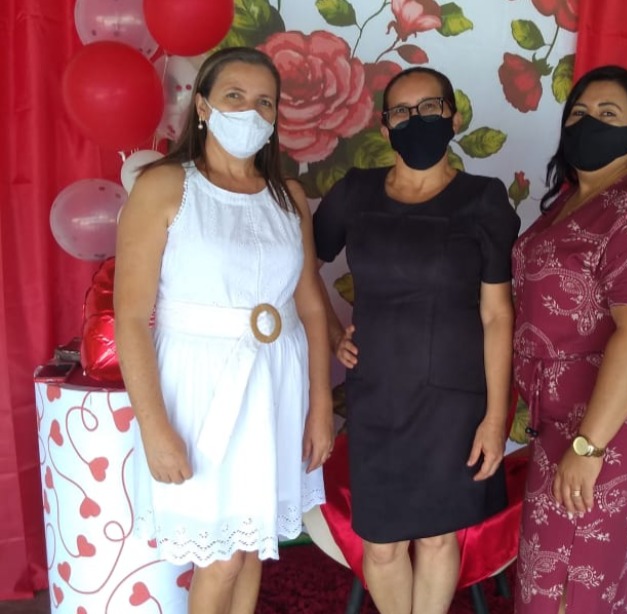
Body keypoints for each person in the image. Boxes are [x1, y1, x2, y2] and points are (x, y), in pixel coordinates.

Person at [114, 47, 333, 614]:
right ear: (203, 106)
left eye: (265, 102)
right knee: (221, 558)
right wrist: (155, 427)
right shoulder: (165, 187)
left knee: (252, 544)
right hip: (200, 390)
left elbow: (311, 309)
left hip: (275, 386)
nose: (251, 112)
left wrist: (320, 407)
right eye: (235, 96)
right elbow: (131, 316)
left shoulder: (289, 198)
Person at [313, 66, 520, 614]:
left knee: (436, 537)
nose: (416, 119)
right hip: (377, 394)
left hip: (453, 401)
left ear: (453, 116)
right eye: (402, 112)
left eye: (430, 107)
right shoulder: (355, 192)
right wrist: (332, 331)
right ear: (385, 128)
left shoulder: (484, 200)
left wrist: (495, 418)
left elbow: (497, 315)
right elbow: (298, 265)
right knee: (381, 547)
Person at [512, 65, 627, 613]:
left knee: (571, 568)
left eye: (607, 113)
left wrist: (589, 447)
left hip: (611, 418)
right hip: (565, 412)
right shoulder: (577, 196)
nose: (588, 121)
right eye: (579, 112)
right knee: (555, 560)